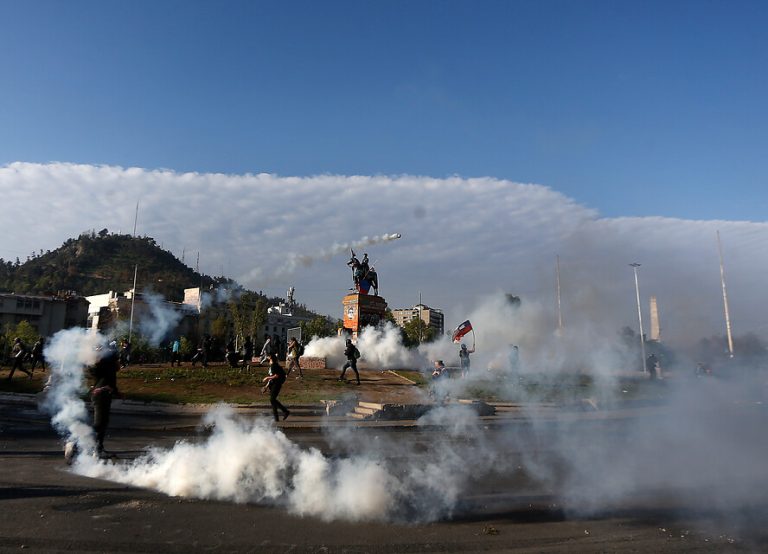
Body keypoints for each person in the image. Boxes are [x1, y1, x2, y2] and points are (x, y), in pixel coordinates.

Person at [89, 341, 120, 456]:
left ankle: (98, 447)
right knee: (99, 423)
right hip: (100, 396)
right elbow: (96, 371)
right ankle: (77, 443)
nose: (119, 364)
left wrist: (116, 392)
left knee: (104, 422)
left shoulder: (108, 368)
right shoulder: (104, 365)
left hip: (104, 395)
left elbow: (112, 382)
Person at [262, 353, 290, 422]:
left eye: (267, 357)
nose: (266, 358)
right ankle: (276, 418)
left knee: (272, 399)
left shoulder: (274, 365)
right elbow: (272, 377)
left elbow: (276, 376)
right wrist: (266, 386)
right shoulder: (272, 366)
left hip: (276, 384)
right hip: (273, 384)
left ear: (270, 358)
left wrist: (266, 377)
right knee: (273, 401)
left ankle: (285, 411)